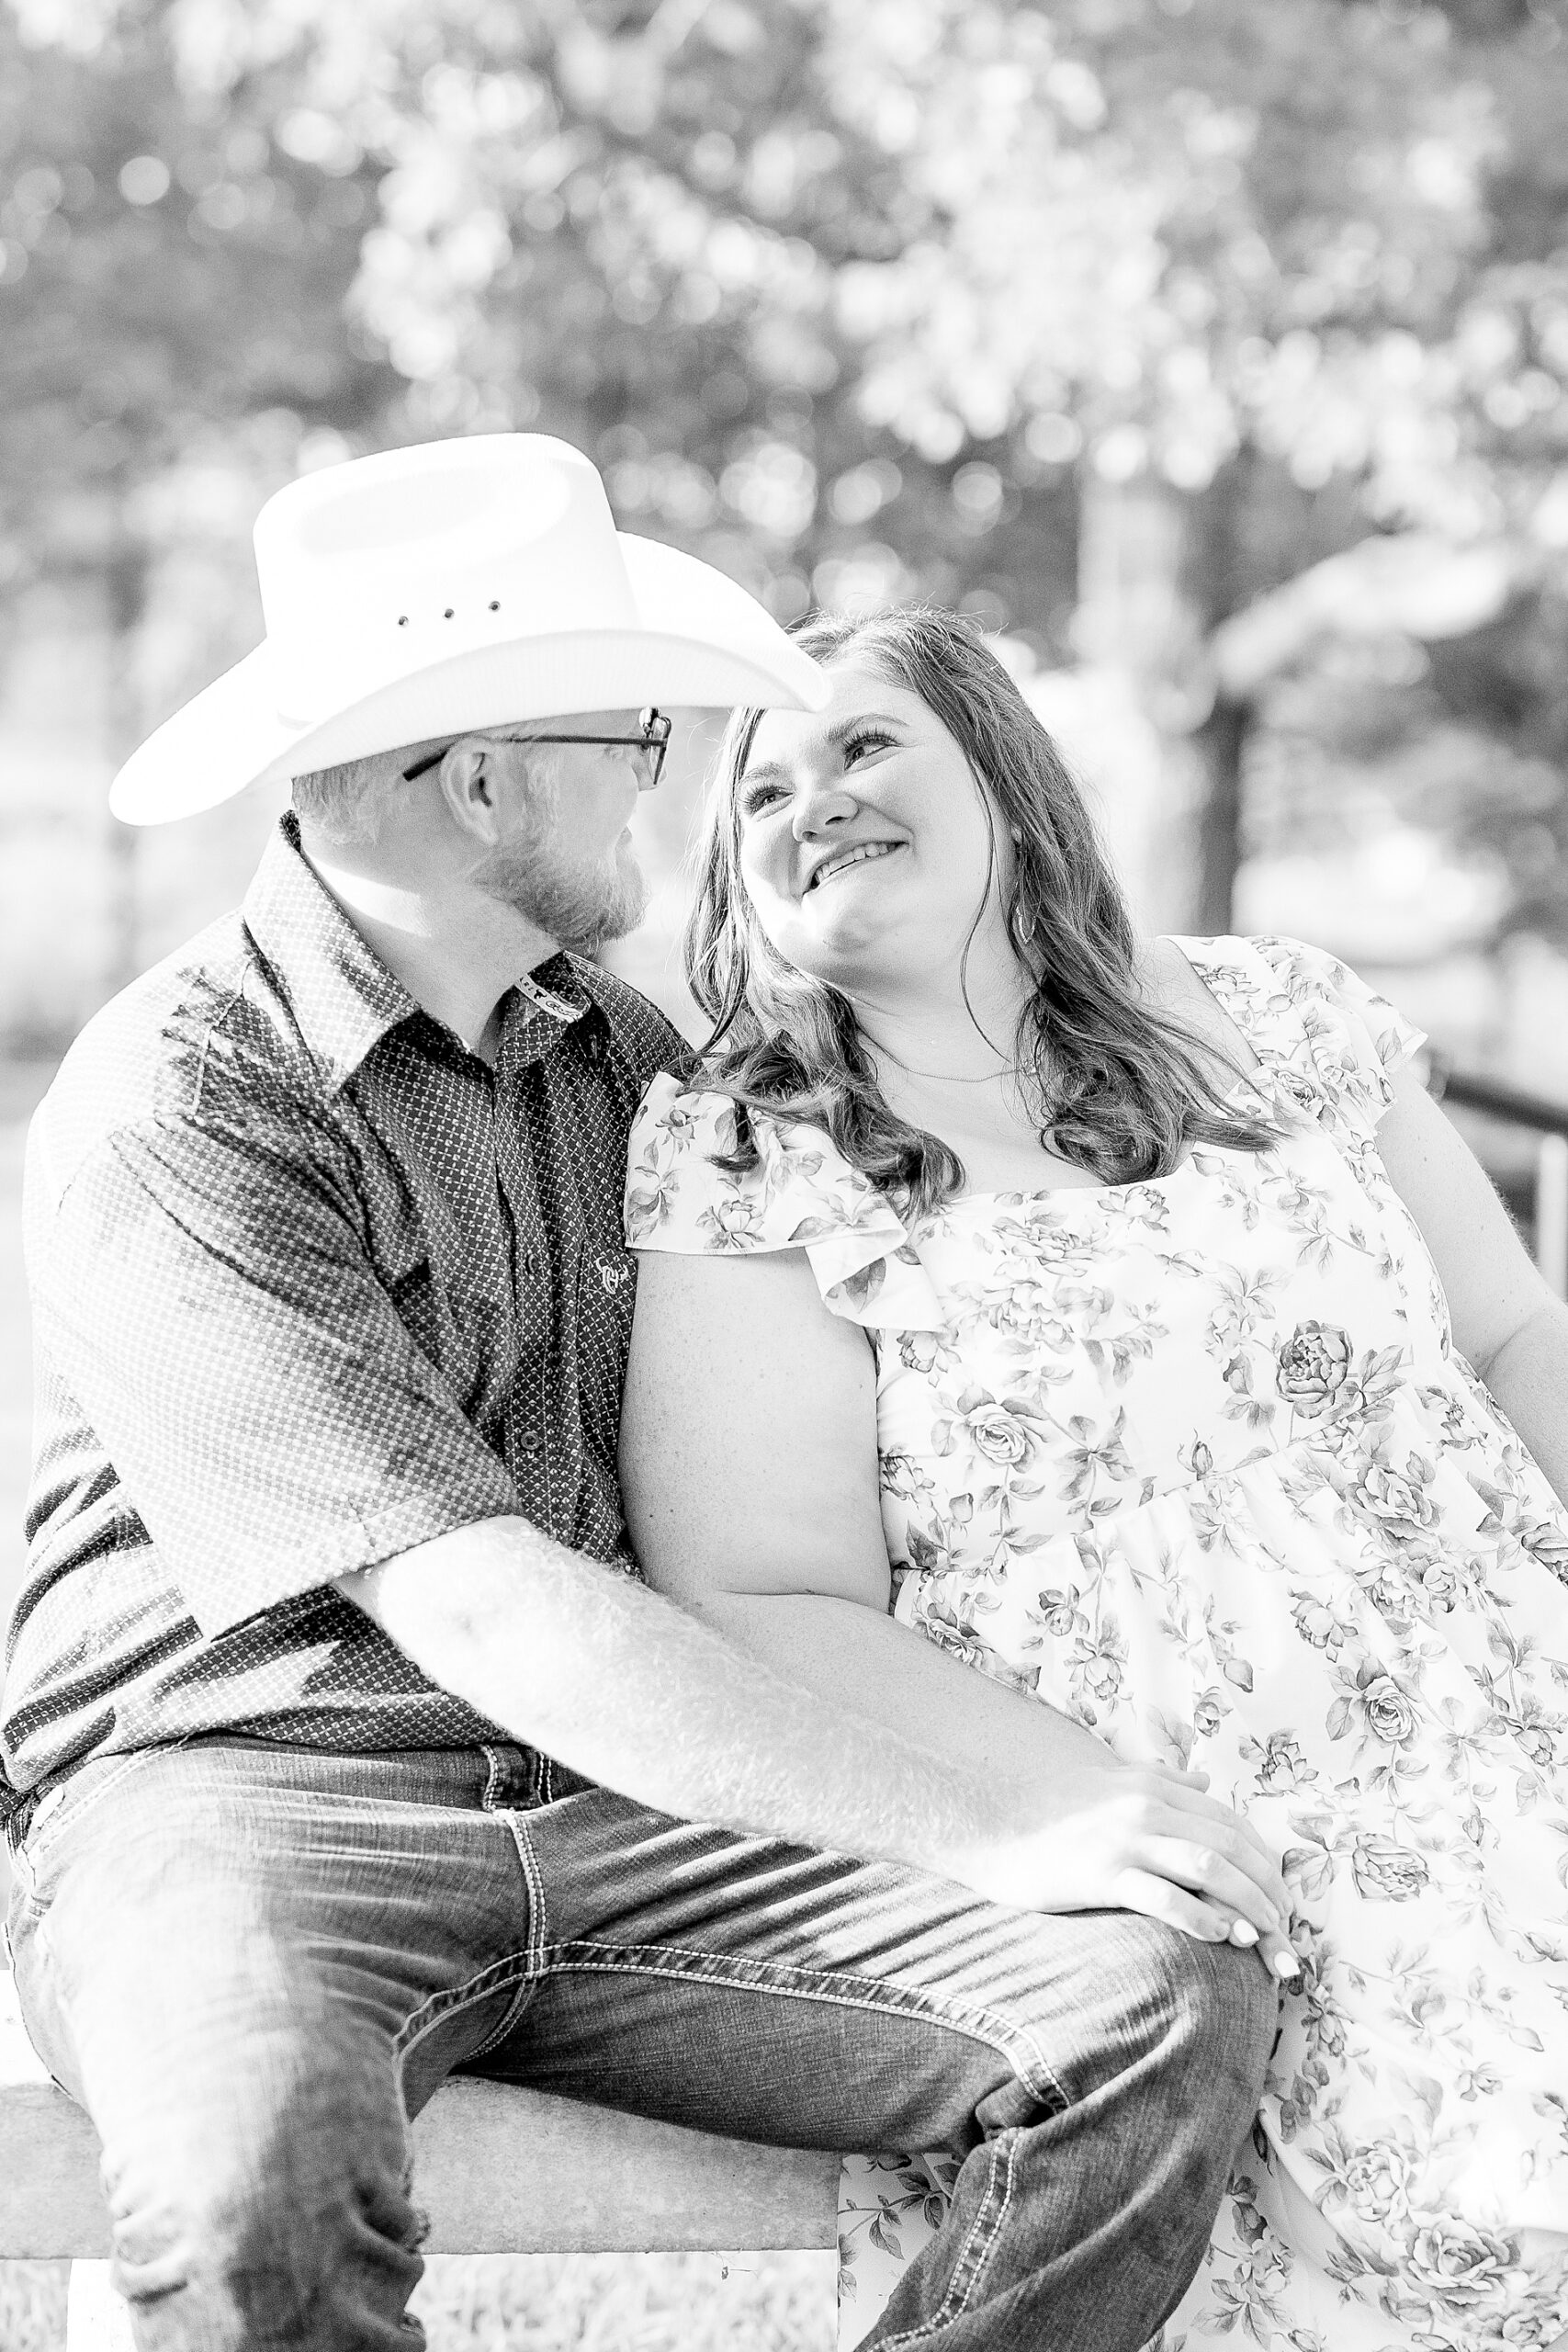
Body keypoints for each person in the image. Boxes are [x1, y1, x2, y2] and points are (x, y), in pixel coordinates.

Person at [2, 439, 1283, 2352]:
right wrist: (976, 1826)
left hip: (615, 1814)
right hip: (247, 1793)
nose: (673, 790)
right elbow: (472, 1598)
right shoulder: (181, 1100)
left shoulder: (625, 1054)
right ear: (487, 773)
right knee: (247, 2181)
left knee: (1145, 2003)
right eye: (645, 741)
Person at [618, 602, 1568, 2352]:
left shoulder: (1282, 1011)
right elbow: (758, 1593)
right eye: (758, 790)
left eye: (865, 742)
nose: (810, 797)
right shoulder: (749, 1149)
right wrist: (1072, 1818)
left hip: (1508, 1697)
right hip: (1178, 1794)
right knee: (1487, 2186)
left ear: (1004, 763)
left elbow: (1513, 1338)